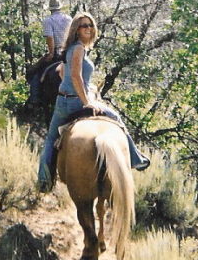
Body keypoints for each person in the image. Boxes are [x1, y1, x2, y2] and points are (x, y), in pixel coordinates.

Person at [38, 12, 150, 192]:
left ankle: (44, 181)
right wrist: (87, 101)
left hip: (64, 100)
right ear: (76, 29)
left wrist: (86, 90)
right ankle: (136, 159)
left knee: (51, 139)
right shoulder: (79, 49)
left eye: (90, 25)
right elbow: (75, 76)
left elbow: (62, 72)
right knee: (116, 118)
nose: (88, 28)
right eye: (83, 25)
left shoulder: (71, 48)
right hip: (75, 102)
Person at [26, 0, 72, 106]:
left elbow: (50, 38)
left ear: (50, 9)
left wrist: (51, 53)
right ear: (60, 7)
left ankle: (35, 99)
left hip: (57, 53)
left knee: (35, 71)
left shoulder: (48, 20)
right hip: (70, 53)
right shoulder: (69, 19)